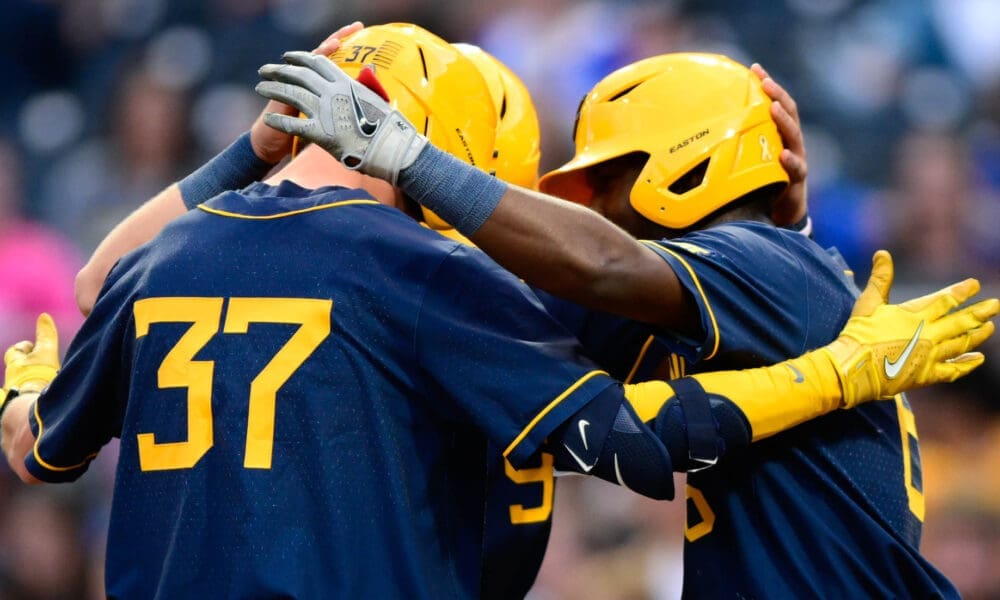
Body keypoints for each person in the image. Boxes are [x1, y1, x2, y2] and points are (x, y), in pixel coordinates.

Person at [2, 23, 995, 600]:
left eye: (605, 179)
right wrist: (837, 370)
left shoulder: (179, 252)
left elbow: (97, 294)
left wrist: (263, 156)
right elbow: (631, 434)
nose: (581, 205)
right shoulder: (423, 278)